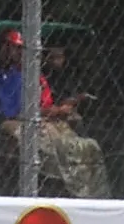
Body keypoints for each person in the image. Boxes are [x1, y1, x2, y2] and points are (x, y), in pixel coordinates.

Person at [35, 44, 106, 197]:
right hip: (49, 116)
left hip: (60, 115)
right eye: (52, 57)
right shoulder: (39, 75)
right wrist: (60, 109)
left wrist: (75, 100)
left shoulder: (66, 75)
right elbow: (40, 106)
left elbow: (64, 97)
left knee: (79, 125)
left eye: (60, 57)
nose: (56, 62)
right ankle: (67, 182)